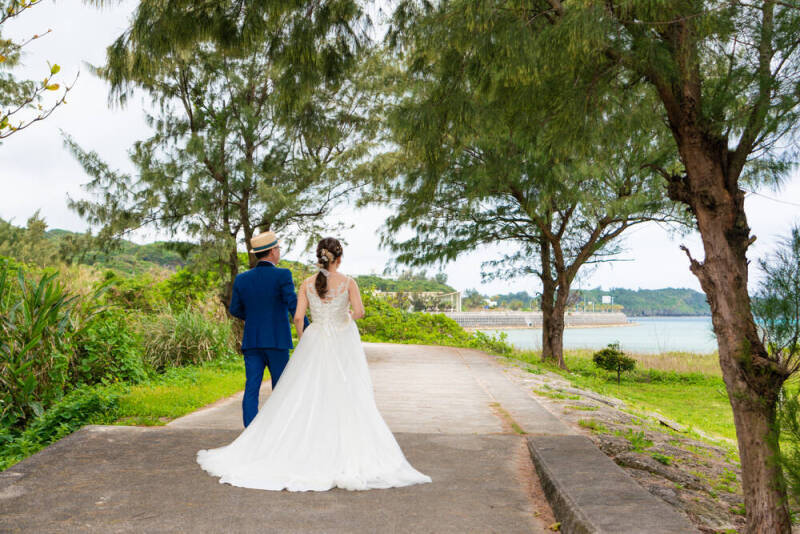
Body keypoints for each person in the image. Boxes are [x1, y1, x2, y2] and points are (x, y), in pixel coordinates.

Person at [197, 237, 432, 491]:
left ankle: (258, 438)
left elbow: (277, 313)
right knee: (313, 390)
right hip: (304, 340)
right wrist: (337, 322)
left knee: (268, 390)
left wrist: (305, 336)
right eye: (277, 249)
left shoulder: (261, 280)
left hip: (264, 339)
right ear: (338, 258)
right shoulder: (331, 280)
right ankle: (320, 442)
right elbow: (346, 312)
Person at [228, 230, 308, 428]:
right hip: (276, 340)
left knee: (251, 388)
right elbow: (293, 304)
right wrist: (309, 329)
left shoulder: (242, 278)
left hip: (252, 342)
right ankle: (278, 431)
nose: (279, 252)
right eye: (278, 248)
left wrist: (255, 318)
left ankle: (250, 432)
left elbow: (235, 309)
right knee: (280, 388)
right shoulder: (282, 275)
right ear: (272, 251)